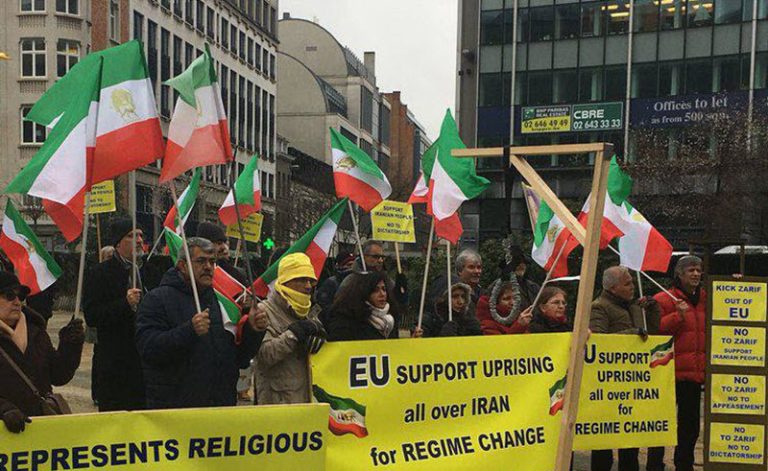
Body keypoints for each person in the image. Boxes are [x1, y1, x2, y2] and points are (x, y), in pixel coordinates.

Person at [135, 237, 267, 409]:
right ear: (182, 266)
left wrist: (253, 330)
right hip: (176, 409)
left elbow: (238, 359)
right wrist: (189, 330)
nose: (208, 267)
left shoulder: (220, 301)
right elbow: (148, 348)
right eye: (201, 261)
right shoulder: (157, 299)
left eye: (212, 262)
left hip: (219, 408)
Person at [589, 266, 660, 471]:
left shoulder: (634, 307)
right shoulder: (599, 307)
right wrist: (633, 334)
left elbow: (651, 336)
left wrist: (653, 311)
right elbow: (599, 341)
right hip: (608, 388)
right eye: (627, 283)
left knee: (630, 447)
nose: (631, 287)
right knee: (603, 447)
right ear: (612, 287)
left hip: (632, 384)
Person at [0, 272, 84, 433]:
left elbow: (59, 375)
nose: (17, 302)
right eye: (9, 296)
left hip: (40, 430)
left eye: (21, 296)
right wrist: (4, 409)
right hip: (5, 436)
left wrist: (70, 345)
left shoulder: (35, 332)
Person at [647, 256, 706, 471]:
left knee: (690, 426)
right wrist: (677, 316)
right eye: (691, 270)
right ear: (679, 274)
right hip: (667, 374)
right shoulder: (663, 299)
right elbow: (653, 331)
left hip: (693, 375)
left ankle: (684, 464)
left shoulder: (705, 299)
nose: (696, 274)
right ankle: (654, 464)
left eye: (699, 270)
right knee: (661, 424)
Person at [83, 218, 147, 412]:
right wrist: (124, 304)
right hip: (114, 365)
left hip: (142, 364)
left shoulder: (147, 270)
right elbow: (92, 315)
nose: (138, 240)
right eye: (131, 235)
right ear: (118, 242)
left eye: (140, 235)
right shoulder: (100, 273)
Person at [254, 253, 325, 405]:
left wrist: (321, 338)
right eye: (301, 279)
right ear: (285, 281)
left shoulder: (309, 311)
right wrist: (293, 335)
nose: (308, 286)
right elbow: (264, 356)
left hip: (309, 401)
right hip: (278, 406)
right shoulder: (264, 311)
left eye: (310, 281)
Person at [327, 271, 401, 341]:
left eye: (384, 289)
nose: (382, 294)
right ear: (364, 293)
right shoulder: (346, 322)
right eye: (375, 290)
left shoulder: (391, 320)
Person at [338, 241, 408, 308]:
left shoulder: (386, 280)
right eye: (376, 256)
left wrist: (400, 294)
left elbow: (399, 308)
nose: (380, 260)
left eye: (382, 257)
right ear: (364, 257)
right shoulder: (351, 281)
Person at [417, 277, 481, 338]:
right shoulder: (428, 321)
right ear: (443, 298)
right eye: (455, 296)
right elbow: (421, 347)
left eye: (463, 296)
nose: (460, 302)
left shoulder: (470, 320)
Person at [196, 222, 247, 286]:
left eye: (225, 243)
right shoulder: (192, 272)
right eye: (219, 243)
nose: (224, 247)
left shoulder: (232, 274)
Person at [315, 250, 355, 316]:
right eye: (349, 265)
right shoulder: (331, 283)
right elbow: (324, 306)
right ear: (339, 266)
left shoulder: (359, 281)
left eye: (354, 265)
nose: (352, 268)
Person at [501, 246, 541, 311]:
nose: (521, 265)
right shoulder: (498, 287)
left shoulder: (534, 287)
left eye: (524, 262)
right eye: (516, 262)